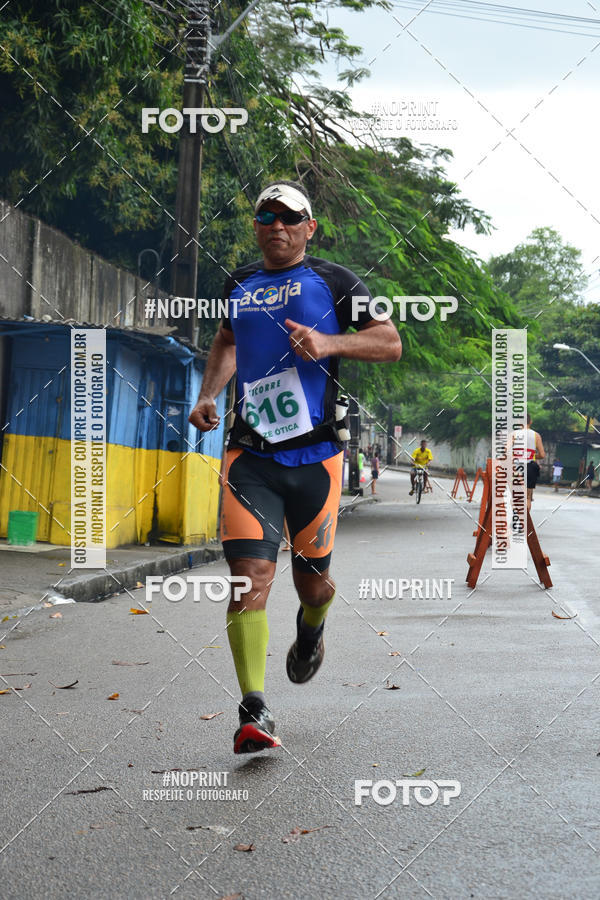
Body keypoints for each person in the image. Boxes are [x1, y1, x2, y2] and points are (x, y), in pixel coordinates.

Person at [189, 180, 402, 754]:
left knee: (313, 584)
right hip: (249, 455)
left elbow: (389, 342)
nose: (277, 225)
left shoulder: (336, 282)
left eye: (289, 217)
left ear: (310, 228)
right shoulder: (239, 284)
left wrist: (329, 344)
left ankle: (312, 630)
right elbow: (227, 341)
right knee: (249, 578)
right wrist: (209, 394)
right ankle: (253, 709)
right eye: (266, 216)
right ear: (256, 226)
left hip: (316, 458)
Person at [512, 413, 545, 512]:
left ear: (519, 422)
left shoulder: (513, 434)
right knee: (528, 497)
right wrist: (532, 456)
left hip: (516, 468)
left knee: (515, 496)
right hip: (530, 468)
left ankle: (515, 516)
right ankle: (525, 519)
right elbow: (542, 455)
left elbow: (506, 452)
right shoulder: (536, 435)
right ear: (530, 422)